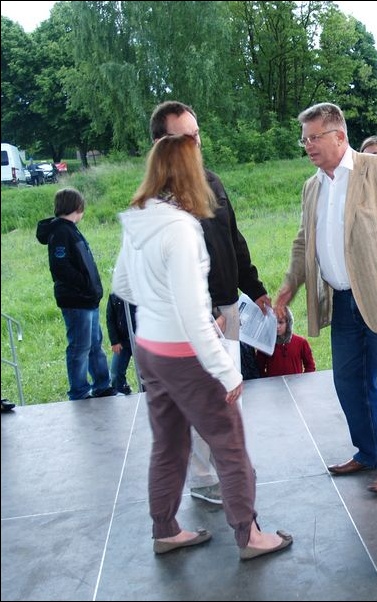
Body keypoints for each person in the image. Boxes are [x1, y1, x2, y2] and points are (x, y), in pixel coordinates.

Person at [112, 133, 292, 561]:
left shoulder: (139, 218)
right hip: (185, 353)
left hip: (149, 347)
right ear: (189, 173)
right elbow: (194, 316)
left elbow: (122, 285)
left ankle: (165, 529)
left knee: (168, 443)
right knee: (230, 444)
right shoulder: (182, 229)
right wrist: (227, 371)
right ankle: (250, 536)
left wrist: (161, 307)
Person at [275, 102, 377, 495]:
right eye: (304, 139)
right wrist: (289, 285)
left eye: (314, 137)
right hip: (341, 300)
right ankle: (370, 451)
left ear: (339, 136)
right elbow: (304, 241)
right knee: (348, 381)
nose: (308, 145)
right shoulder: (312, 186)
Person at [150, 101, 271, 505]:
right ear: (161, 143)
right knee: (204, 399)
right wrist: (201, 317)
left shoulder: (211, 181)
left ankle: (228, 468)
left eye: (197, 134)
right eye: (185, 137)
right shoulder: (158, 200)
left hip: (228, 307)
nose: (195, 143)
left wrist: (254, 288)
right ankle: (205, 480)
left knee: (228, 392)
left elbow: (232, 239)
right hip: (194, 316)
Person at [36, 188, 114, 400]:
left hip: (88, 299)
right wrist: (85, 284)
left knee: (95, 345)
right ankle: (79, 390)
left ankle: (102, 385)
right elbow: (60, 267)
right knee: (80, 347)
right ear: (78, 207)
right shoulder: (61, 232)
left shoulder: (71, 230)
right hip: (76, 300)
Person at [255, 307, 316, 377]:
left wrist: (303, 380)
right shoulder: (265, 344)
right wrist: (268, 381)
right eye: (274, 322)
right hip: (273, 383)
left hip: (296, 383)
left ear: (288, 323)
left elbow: (310, 366)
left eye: (281, 322)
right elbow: (259, 368)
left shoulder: (301, 342)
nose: (277, 326)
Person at [106, 292, 136, 395]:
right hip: (122, 341)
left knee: (146, 372)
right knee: (115, 372)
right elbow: (110, 319)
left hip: (141, 341)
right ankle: (121, 391)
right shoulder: (114, 295)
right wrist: (114, 341)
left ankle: (148, 393)